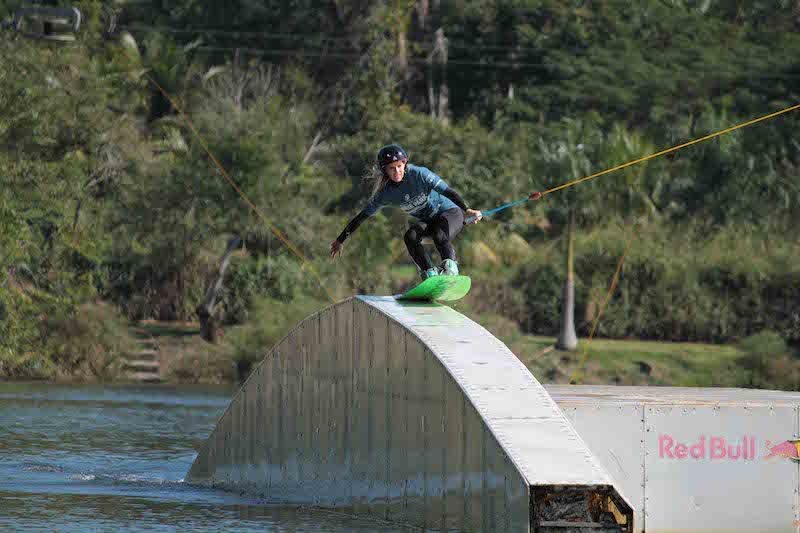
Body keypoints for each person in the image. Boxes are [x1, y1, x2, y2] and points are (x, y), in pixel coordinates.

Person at [330, 144, 482, 280]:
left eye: (399, 166)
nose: (397, 171)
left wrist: (466, 209)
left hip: (451, 213)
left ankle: (451, 270)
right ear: (385, 170)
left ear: (404, 163)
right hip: (430, 222)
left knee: (438, 234)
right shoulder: (385, 194)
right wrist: (340, 240)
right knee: (411, 236)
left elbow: (449, 192)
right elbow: (361, 217)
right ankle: (430, 274)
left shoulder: (419, 174)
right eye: (392, 168)